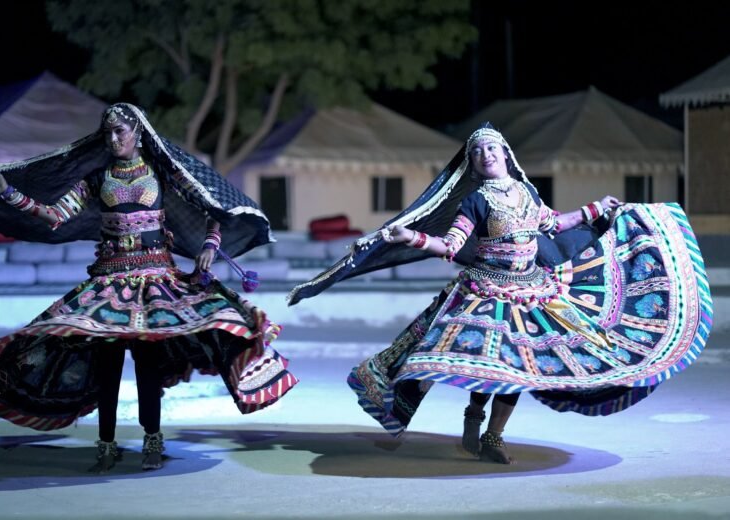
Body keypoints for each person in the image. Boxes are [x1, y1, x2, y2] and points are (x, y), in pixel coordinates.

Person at [287, 123, 712, 464]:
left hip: (532, 288)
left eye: (493, 149)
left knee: (518, 366)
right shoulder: (474, 201)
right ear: (472, 163)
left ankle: (493, 434)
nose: (487, 155)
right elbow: (451, 247)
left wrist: (598, 209)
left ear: (505, 154)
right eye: (478, 152)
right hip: (486, 289)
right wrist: (411, 237)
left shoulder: (526, 191)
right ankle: (475, 415)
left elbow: (552, 224)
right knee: (493, 363)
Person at [0, 103, 298, 473]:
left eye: (120, 132)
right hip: (107, 283)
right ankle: (106, 444)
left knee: (147, 367)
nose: (113, 139)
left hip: (157, 281)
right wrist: (8, 192)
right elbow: (55, 216)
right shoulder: (96, 178)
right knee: (108, 368)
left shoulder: (162, 173)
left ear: (138, 133)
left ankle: (153, 439)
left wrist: (210, 247)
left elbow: (211, 208)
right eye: (108, 133)